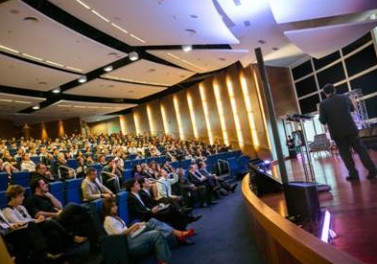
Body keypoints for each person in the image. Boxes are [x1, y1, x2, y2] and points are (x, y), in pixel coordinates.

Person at [102, 197, 194, 264]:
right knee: (157, 233)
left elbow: (124, 229)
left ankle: (165, 257)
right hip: (128, 243)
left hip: (132, 236)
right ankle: (178, 236)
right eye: (113, 206)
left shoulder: (114, 217)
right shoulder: (109, 221)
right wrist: (134, 226)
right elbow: (120, 236)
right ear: (108, 208)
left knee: (152, 221)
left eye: (115, 205)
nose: (116, 207)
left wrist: (137, 227)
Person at [319, 83, 377, 181]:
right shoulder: (344, 97)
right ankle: (373, 170)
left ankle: (354, 174)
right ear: (335, 89)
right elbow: (352, 109)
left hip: (337, 133)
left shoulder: (323, 104)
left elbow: (322, 120)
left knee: (345, 154)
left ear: (325, 93)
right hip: (351, 129)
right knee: (361, 150)